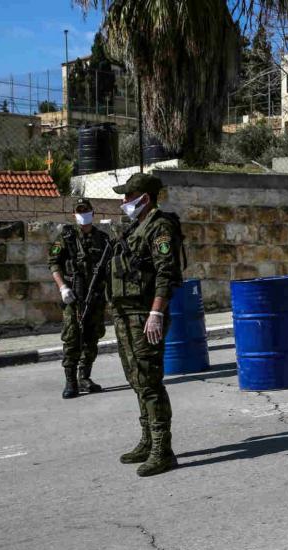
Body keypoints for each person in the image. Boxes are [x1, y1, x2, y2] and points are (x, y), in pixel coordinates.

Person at [110, 173, 184, 477]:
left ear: (145, 198)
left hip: (144, 313)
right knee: (137, 379)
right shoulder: (135, 227)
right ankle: (148, 439)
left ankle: (162, 450)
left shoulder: (160, 226)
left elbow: (166, 273)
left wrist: (156, 313)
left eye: (128, 196)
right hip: (125, 313)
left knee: (150, 381)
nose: (124, 201)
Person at [48, 198, 110, 399]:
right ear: (74, 214)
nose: (83, 214)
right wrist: (63, 287)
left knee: (92, 337)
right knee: (72, 337)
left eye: (86, 210)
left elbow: (110, 268)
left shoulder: (103, 239)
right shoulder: (66, 237)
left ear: (93, 213)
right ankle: (70, 381)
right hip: (74, 296)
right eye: (79, 211)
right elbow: (54, 264)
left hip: (96, 297)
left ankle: (84, 376)